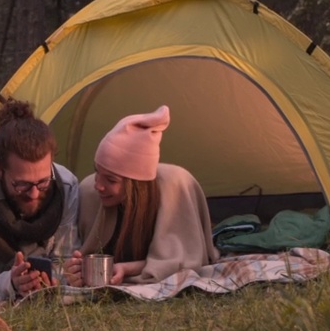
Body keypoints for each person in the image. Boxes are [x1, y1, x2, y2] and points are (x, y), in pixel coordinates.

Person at [64, 105, 218, 286]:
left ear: (135, 185)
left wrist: (127, 268)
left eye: (111, 180)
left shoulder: (174, 189)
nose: (99, 185)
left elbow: (180, 260)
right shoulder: (90, 192)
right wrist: (75, 269)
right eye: (97, 172)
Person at [0, 98, 80, 302]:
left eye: (43, 182)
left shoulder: (66, 187)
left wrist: (57, 278)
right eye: (22, 185)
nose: (35, 194)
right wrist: (10, 283)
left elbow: (64, 258)